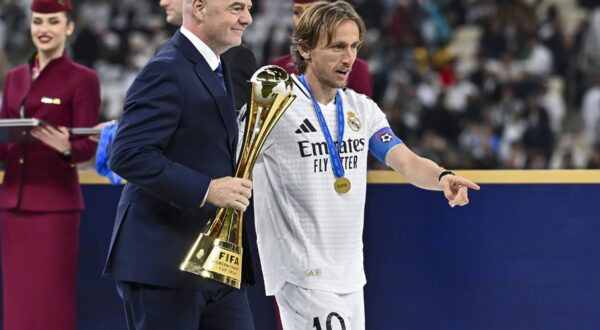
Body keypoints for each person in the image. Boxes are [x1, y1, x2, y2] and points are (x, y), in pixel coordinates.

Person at [250, 2, 480, 329]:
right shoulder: (277, 103)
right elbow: (233, 154)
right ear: (305, 48)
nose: (349, 58)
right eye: (338, 47)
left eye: (355, 46)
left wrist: (443, 177)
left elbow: (406, 161)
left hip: (350, 274)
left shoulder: (362, 108)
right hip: (302, 273)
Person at [103, 0, 256, 329]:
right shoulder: (167, 67)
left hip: (212, 262)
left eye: (248, 7)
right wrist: (208, 189)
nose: (247, 18)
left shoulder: (217, 67)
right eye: (236, 7)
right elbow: (128, 153)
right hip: (164, 263)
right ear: (200, 8)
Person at [0, 0, 101, 329]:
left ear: (68, 27)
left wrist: (66, 148)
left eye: (53, 22)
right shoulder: (14, 77)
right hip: (12, 203)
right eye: (38, 21)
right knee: (17, 300)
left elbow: (87, 143)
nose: (44, 29)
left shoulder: (83, 79)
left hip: (55, 206)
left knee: (51, 300)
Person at [270, 0, 373, 98]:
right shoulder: (278, 67)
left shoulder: (357, 69)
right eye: (297, 12)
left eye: (313, 11)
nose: (303, 20)